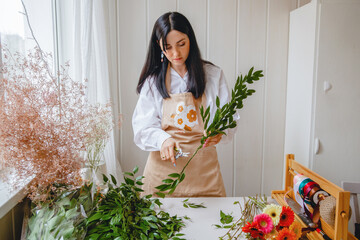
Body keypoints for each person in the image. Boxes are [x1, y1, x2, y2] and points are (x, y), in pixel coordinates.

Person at [132, 12, 238, 197]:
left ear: (191, 40)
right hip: (162, 177)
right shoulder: (153, 82)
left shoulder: (213, 75)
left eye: (181, 44)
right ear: (160, 47)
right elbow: (142, 127)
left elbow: (229, 118)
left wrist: (219, 132)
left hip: (204, 174)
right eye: (168, 47)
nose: (176, 53)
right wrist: (162, 139)